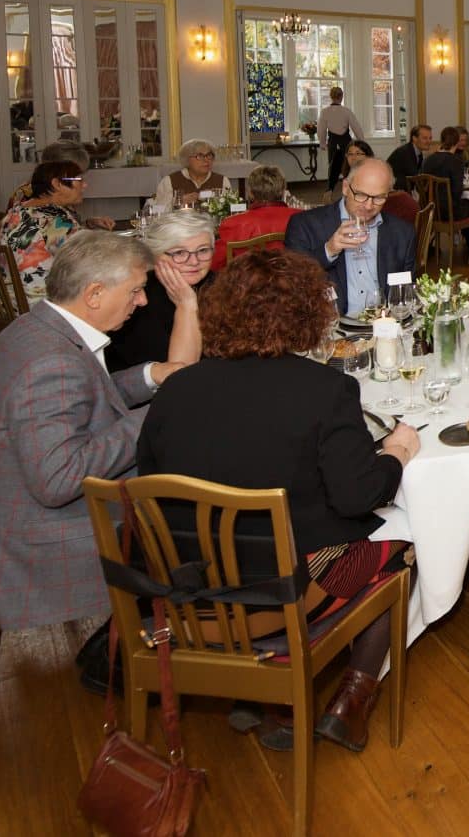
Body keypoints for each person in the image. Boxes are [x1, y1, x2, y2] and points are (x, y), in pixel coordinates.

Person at [135, 250, 419, 751]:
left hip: (190, 586)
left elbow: (150, 483)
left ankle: (252, 693)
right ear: (308, 315)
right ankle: (351, 701)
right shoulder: (326, 389)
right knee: (402, 547)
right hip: (288, 591)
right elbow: (358, 497)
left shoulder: (177, 389)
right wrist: (395, 452)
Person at [0, 232, 187, 690]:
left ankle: (136, 636)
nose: (141, 302)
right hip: (30, 541)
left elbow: (85, 400)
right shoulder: (50, 365)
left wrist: (152, 376)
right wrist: (155, 416)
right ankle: (136, 657)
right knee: (190, 527)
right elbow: (58, 480)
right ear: (94, 293)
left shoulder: (38, 328)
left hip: (4, 510)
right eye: (136, 290)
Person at [283, 158, 417, 315]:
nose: (368, 206)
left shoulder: (402, 233)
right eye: (361, 195)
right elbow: (292, 280)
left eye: (379, 198)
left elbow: (405, 291)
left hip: (384, 325)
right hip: (331, 326)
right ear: (346, 187)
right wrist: (329, 249)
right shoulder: (305, 224)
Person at [105, 209, 210, 372]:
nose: (194, 261)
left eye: (203, 250)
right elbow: (179, 376)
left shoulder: (225, 288)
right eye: (179, 253)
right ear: (155, 255)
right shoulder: (137, 299)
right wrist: (187, 304)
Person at [0, 160, 114, 297]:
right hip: (41, 302)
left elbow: (47, 238)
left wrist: (88, 224)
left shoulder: (19, 210)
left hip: (12, 297)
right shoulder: (51, 217)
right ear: (57, 184)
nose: (84, 185)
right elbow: (92, 255)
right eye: (79, 180)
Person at [212, 164, 298, 270]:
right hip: (294, 280)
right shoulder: (302, 218)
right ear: (283, 191)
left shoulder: (233, 223)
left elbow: (216, 262)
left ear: (250, 193)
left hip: (247, 283)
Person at [151, 139, 231, 211]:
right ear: (186, 159)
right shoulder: (169, 181)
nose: (206, 160)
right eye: (200, 156)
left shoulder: (222, 180)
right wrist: (177, 202)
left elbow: (229, 210)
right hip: (180, 226)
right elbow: (157, 211)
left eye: (209, 155)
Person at [318, 87, 363, 191]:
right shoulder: (346, 111)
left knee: (332, 166)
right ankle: (352, 189)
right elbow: (356, 127)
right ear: (341, 97)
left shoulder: (325, 112)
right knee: (349, 165)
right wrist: (362, 142)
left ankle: (330, 189)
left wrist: (322, 143)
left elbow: (321, 129)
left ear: (331, 97)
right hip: (346, 142)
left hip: (333, 142)